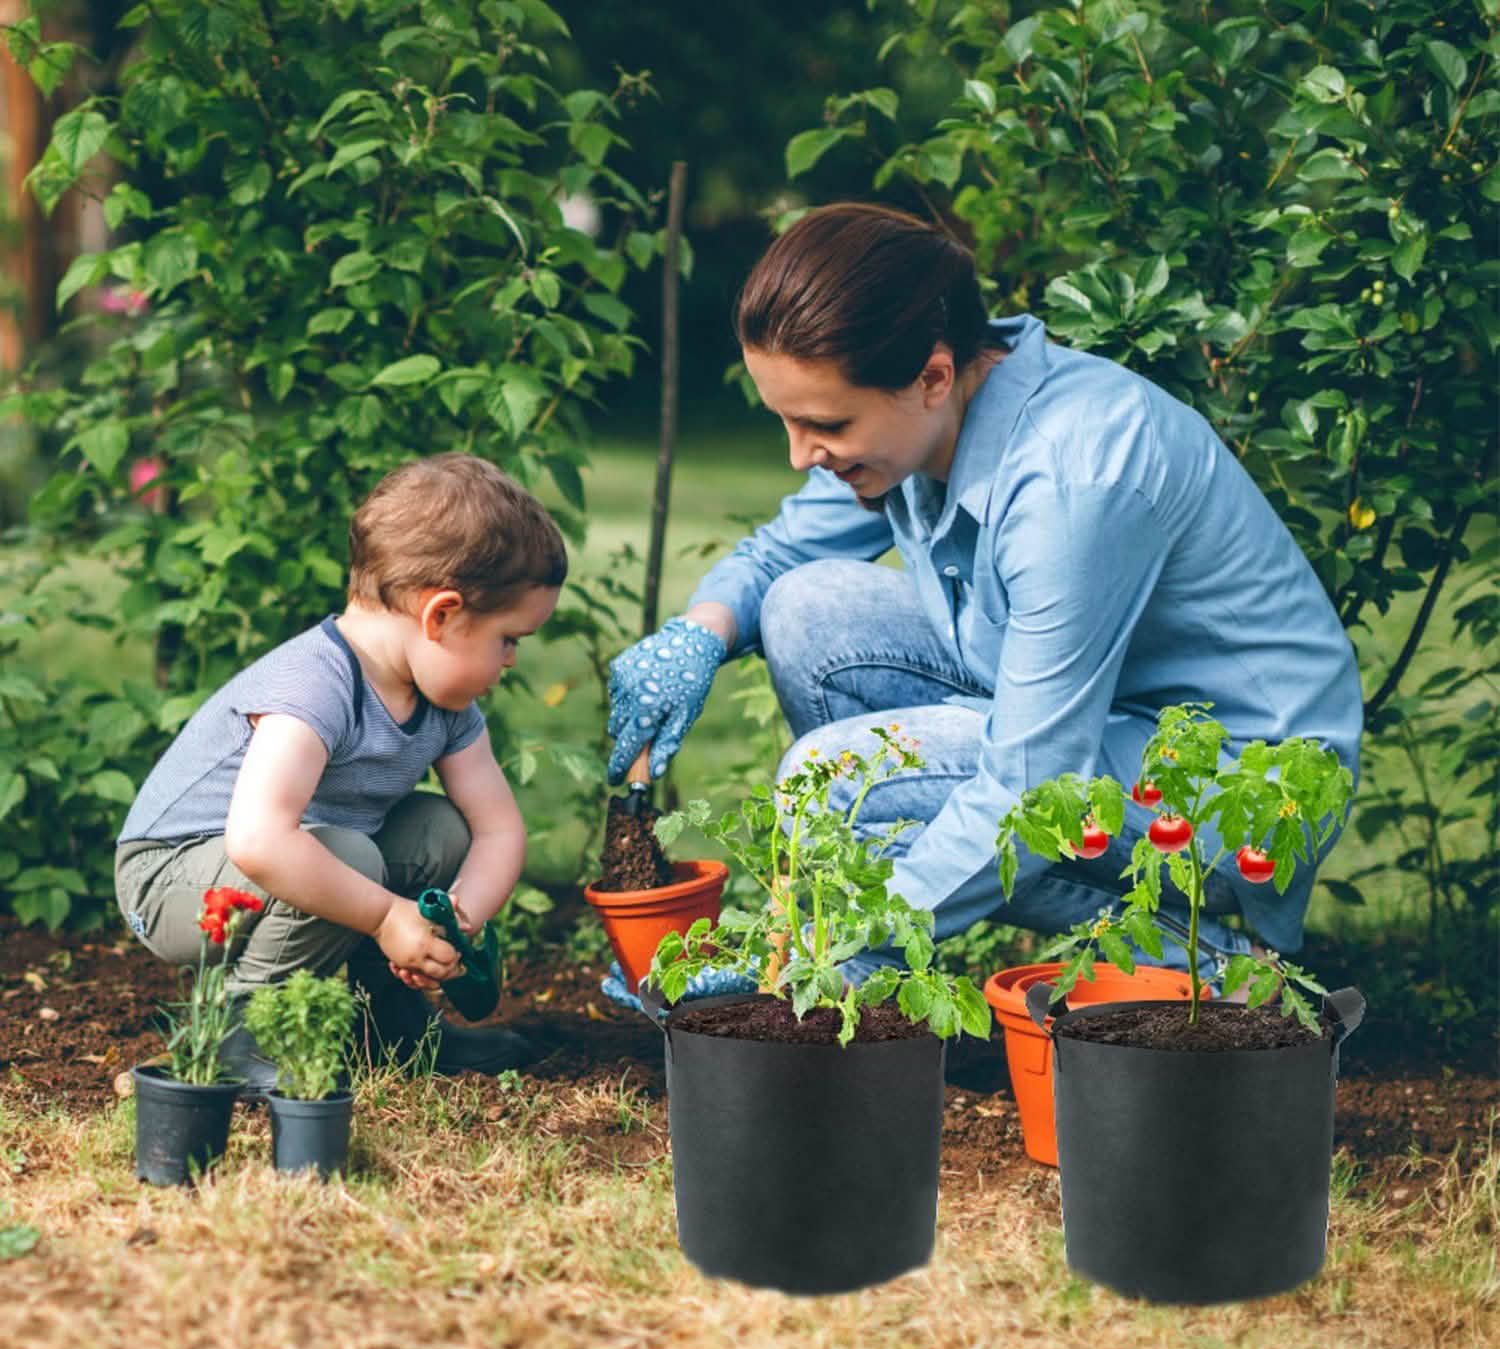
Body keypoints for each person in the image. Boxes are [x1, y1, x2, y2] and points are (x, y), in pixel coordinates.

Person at [605, 203, 1363, 988]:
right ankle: (888, 944)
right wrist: (699, 632)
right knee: (808, 609)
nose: (800, 455)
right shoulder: (928, 413)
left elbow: (1036, 781)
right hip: (1099, 722)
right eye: (787, 422)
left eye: (824, 423)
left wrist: (810, 952)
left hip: (1237, 789)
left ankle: (1216, 973)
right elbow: (786, 551)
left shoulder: (1072, 482)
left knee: (830, 780)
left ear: (931, 375)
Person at [116, 453, 564, 1090]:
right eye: (508, 639)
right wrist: (387, 918)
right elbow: (259, 840)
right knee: (349, 859)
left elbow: (497, 831)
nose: (513, 661)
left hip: (296, 854)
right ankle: (235, 1036)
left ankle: (395, 1031)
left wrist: (450, 924)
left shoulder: (446, 704)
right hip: (170, 879)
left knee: (440, 829)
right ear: (441, 615)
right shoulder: (317, 684)